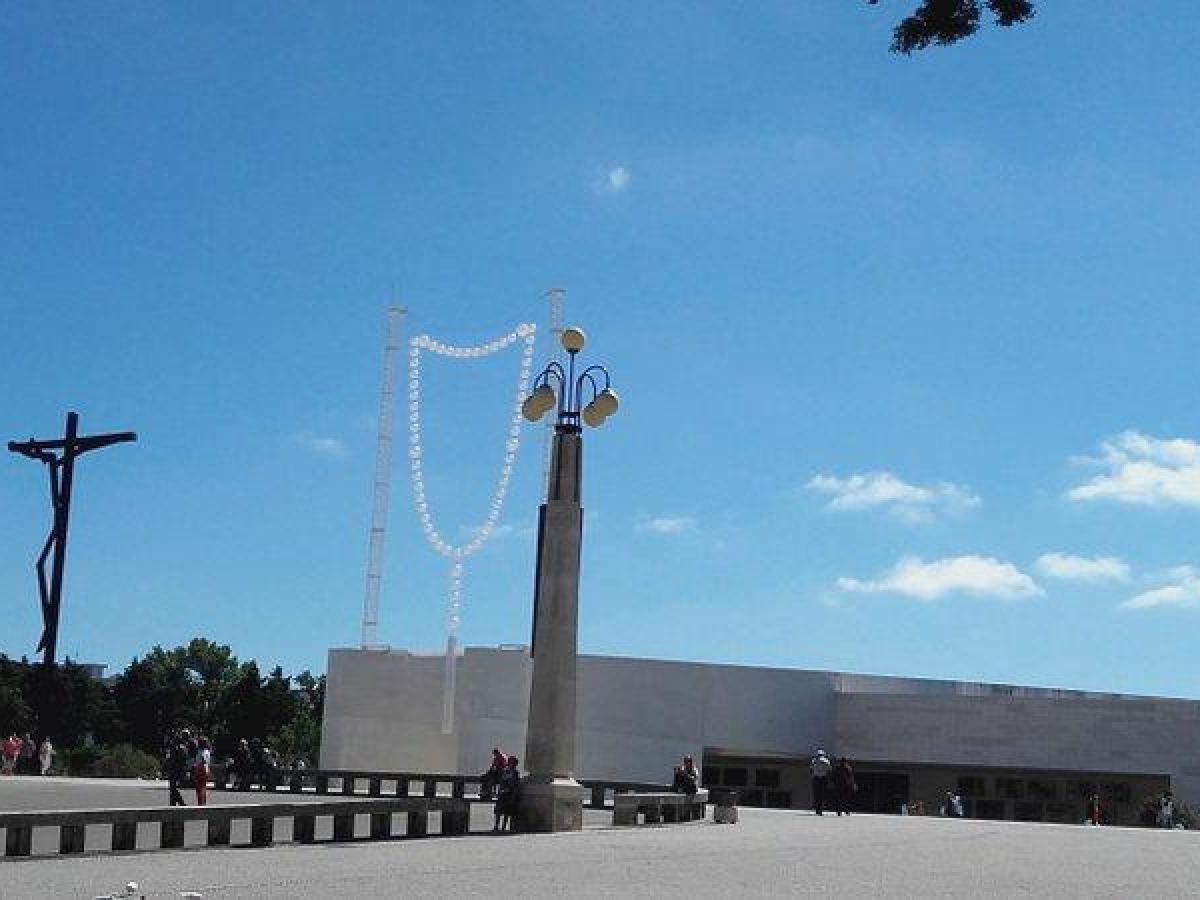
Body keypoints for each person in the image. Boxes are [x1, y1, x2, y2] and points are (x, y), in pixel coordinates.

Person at [494, 755, 520, 833]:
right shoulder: (505, 771)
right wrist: (499, 791)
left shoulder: (515, 773)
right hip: (503, 793)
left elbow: (515, 785)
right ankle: (496, 826)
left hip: (509, 794)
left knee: (506, 812)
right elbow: (501, 782)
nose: (509, 763)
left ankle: (503, 827)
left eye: (511, 762)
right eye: (509, 762)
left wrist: (513, 795)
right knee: (498, 811)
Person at [165, 737, 189, 806]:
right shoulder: (183, 748)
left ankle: (181, 803)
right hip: (178, 769)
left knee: (173, 787)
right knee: (173, 787)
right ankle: (173, 803)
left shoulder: (177, 749)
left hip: (174, 769)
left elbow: (171, 760)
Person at [809, 748, 832, 815]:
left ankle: (817, 809)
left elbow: (811, 769)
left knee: (816, 795)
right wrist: (829, 780)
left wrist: (812, 776)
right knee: (822, 795)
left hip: (816, 779)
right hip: (823, 779)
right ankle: (821, 809)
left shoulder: (814, 761)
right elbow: (829, 770)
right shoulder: (826, 761)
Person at [192, 736, 212, 805]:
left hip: (200, 770)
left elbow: (202, 761)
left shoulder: (201, 751)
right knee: (203, 787)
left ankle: (200, 802)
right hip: (206, 770)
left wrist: (197, 768)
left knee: (199, 787)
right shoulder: (208, 751)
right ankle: (203, 802)